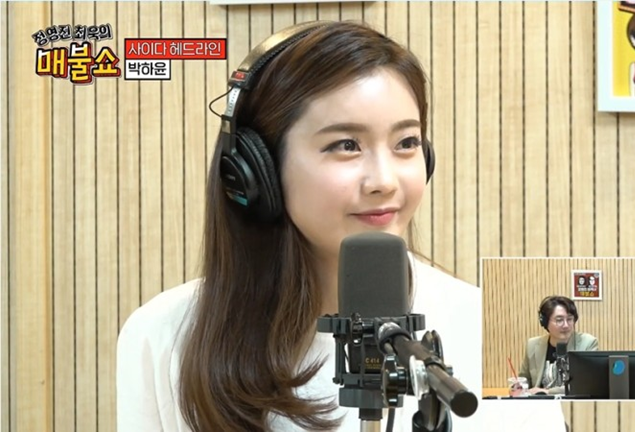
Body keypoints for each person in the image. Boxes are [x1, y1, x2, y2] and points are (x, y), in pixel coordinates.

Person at [115, 21, 484, 432]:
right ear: (257, 171)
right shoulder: (163, 336)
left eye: (406, 143)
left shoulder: (481, 324)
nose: (384, 181)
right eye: (346, 145)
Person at [518, 296, 599, 395]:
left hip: (572, 402)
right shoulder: (532, 345)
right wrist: (519, 386)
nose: (566, 325)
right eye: (559, 320)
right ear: (545, 322)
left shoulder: (587, 343)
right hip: (540, 403)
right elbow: (524, 380)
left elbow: (585, 384)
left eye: (569, 319)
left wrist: (548, 392)